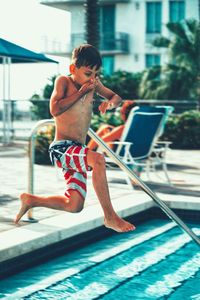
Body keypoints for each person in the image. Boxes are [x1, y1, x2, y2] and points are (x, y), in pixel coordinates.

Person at [15, 44, 135, 233]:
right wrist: (81, 93)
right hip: (62, 148)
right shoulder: (64, 82)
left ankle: (31, 200)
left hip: (77, 150)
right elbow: (54, 109)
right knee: (98, 160)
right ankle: (110, 216)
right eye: (88, 73)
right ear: (73, 69)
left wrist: (109, 105)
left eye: (96, 74)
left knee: (74, 205)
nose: (93, 78)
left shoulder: (94, 84)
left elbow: (115, 97)